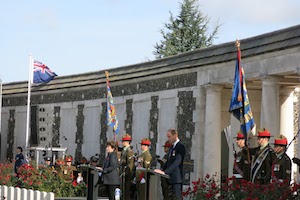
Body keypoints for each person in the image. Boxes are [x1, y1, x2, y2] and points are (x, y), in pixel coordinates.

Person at [154, 128, 186, 200]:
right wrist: (161, 170)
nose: (168, 139)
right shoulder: (172, 147)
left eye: (169, 136)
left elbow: (177, 162)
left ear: (175, 135)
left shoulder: (180, 146)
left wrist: (165, 172)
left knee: (177, 197)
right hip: (169, 178)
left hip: (176, 179)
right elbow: (168, 162)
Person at [119, 133, 135, 200]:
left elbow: (130, 164)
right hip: (123, 172)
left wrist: (128, 173)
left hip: (127, 173)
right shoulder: (124, 150)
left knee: (126, 191)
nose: (122, 143)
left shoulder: (129, 151)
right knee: (123, 190)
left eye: (123, 141)